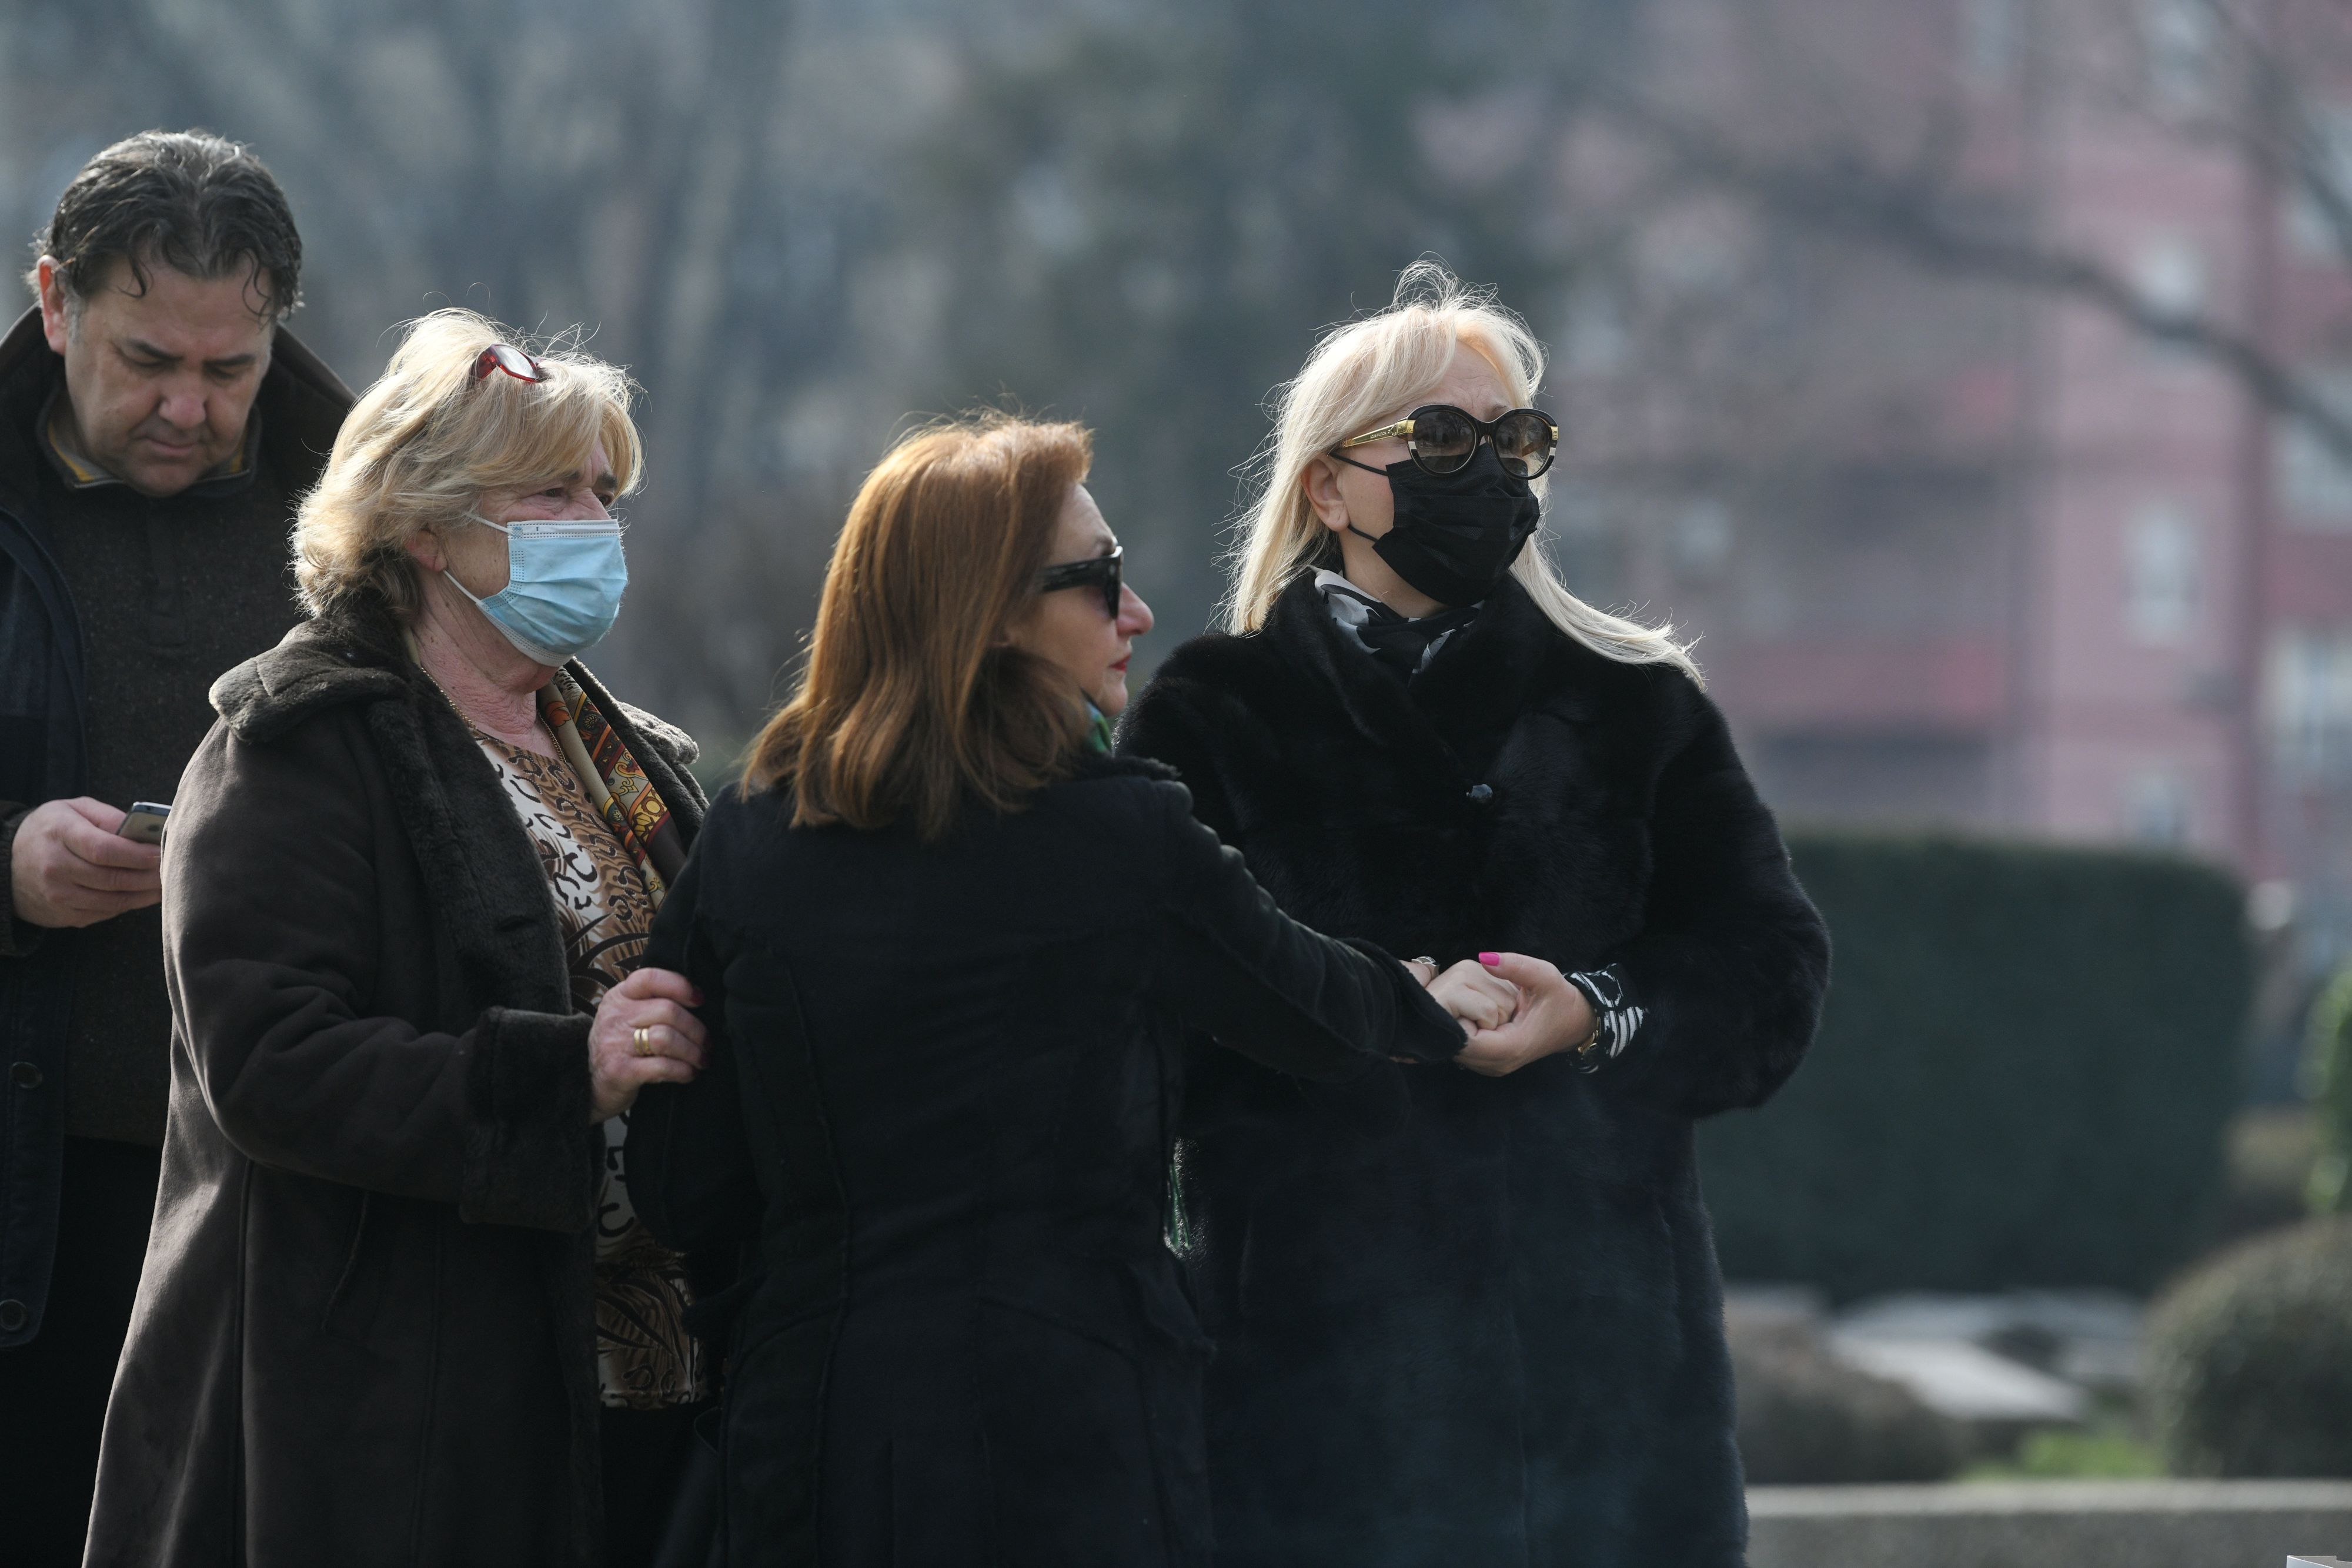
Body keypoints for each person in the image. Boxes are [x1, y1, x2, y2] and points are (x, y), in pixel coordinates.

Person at [624, 414, 1481, 1567]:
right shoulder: (1121, 835)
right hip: (1071, 1441)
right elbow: (1314, 1005)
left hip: (819, 1438)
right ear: (989, 611)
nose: (1133, 613)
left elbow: (683, 1183)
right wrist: (1434, 1002)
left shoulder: (746, 839)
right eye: (1100, 580)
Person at [1118, 263, 1833, 1566]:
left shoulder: (1636, 704)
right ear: (1326, 485)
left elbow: (1770, 970)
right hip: (1310, 1394)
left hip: (1608, 1405)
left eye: (1516, 441)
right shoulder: (1209, 714)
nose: (1489, 469)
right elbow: (1147, 1033)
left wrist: (1598, 1013)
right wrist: (1368, 1010)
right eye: (1439, 438)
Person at [82, 310, 712, 1568]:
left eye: (602, 490)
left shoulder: (635, 757)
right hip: (392, 1422)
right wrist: (557, 1071)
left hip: (638, 1399)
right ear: (425, 525)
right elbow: (272, 1061)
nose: (592, 521)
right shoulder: (294, 746)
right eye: (549, 491)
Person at [0, 130, 352, 1564]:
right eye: (149, 359)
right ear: (53, 299)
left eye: (230, 370)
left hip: (287, 1194)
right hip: (36, 1209)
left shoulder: (366, 523)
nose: (187, 408)